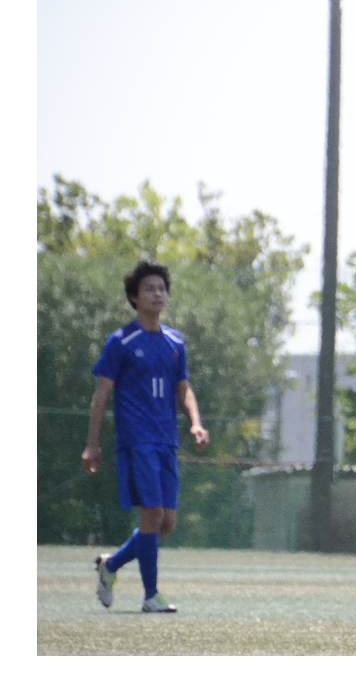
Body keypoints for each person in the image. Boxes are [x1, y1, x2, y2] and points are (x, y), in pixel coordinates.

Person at [81, 260, 210, 613]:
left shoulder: (175, 341)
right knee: (151, 513)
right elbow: (101, 395)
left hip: (167, 439)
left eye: (162, 288)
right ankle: (151, 596)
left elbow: (183, 388)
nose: (158, 294)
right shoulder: (121, 341)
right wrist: (92, 444)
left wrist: (195, 423)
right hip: (136, 440)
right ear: (134, 298)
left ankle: (111, 565)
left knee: (166, 523)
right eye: (149, 289)